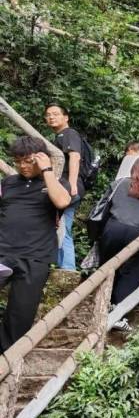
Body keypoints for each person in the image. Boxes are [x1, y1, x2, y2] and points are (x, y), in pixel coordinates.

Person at [0, 136, 71, 352]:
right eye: (18, 161)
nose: (22, 166)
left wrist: (47, 170)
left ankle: (6, 359)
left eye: (28, 161)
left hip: (35, 257)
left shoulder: (56, 183)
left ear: (41, 158)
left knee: (20, 314)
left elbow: (62, 202)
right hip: (3, 252)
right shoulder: (8, 183)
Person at [99, 156, 139, 318]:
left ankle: (102, 305)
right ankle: (118, 313)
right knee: (131, 272)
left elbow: (105, 205)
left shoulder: (119, 183)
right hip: (137, 234)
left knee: (108, 267)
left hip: (112, 229)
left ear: (133, 169)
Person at [45, 103, 87, 271]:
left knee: (58, 225)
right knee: (63, 226)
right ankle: (66, 267)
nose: (51, 117)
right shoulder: (59, 137)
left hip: (68, 187)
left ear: (66, 117)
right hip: (65, 187)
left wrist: (72, 184)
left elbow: (75, 157)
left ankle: (66, 268)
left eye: (55, 114)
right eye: (48, 115)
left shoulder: (69, 133)